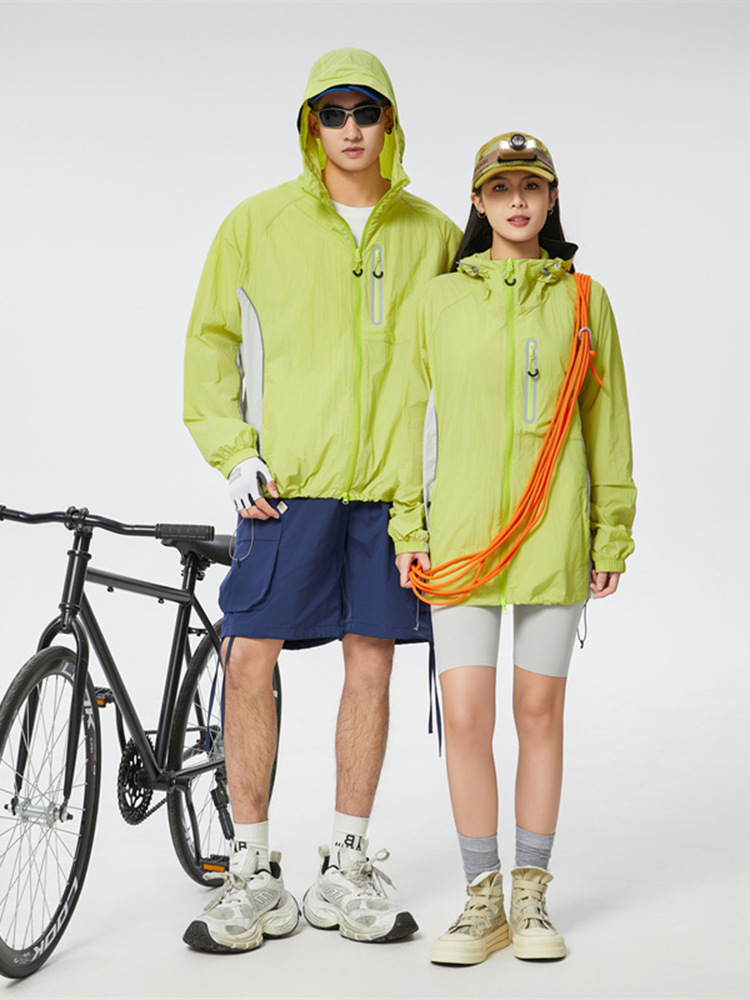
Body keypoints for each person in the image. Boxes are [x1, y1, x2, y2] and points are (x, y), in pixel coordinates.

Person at [181, 47, 460, 954]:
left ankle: (346, 863)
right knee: (247, 658)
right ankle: (251, 868)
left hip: (390, 494)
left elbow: (464, 358)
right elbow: (210, 344)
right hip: (286, 487)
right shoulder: (255, 224)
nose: (349, 129)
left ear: (389, 123)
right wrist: (234, 453)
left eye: (364, 111)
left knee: (371, 662)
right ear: (311, 124)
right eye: (332, 113)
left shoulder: (433, 234)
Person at [394, 132, 636, 965]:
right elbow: (410, 420)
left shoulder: (584, 300)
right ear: (479, 202)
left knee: (538, 713)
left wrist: (611, 529)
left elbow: (608, 424)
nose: (518, 202)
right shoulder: (437, 301)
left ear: (551, 198)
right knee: (464, 716)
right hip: (462, 541)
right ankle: (481, 901)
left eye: (531, 187)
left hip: (552, 537)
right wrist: (409, 529)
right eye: (501, 189)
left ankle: (531, 896)